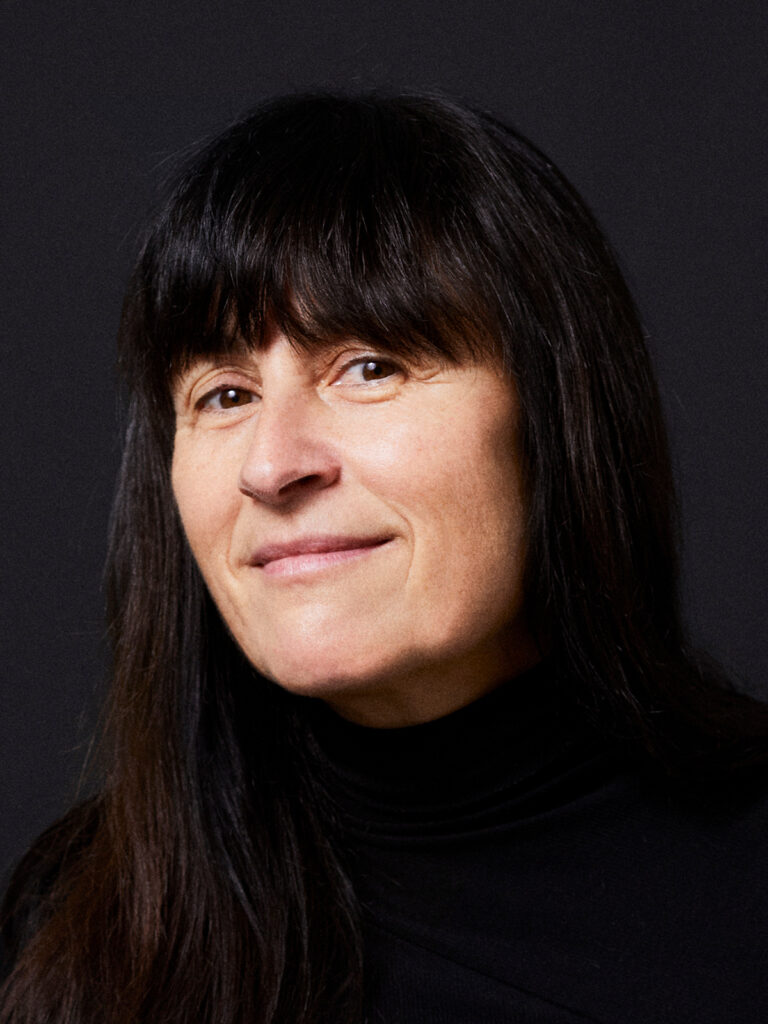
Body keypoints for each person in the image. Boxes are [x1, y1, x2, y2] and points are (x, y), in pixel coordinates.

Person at [1, 91, 767, 1024]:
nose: (273, 465)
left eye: (370, 368)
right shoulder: (82, 921)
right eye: (225, 394)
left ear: (556, 417)